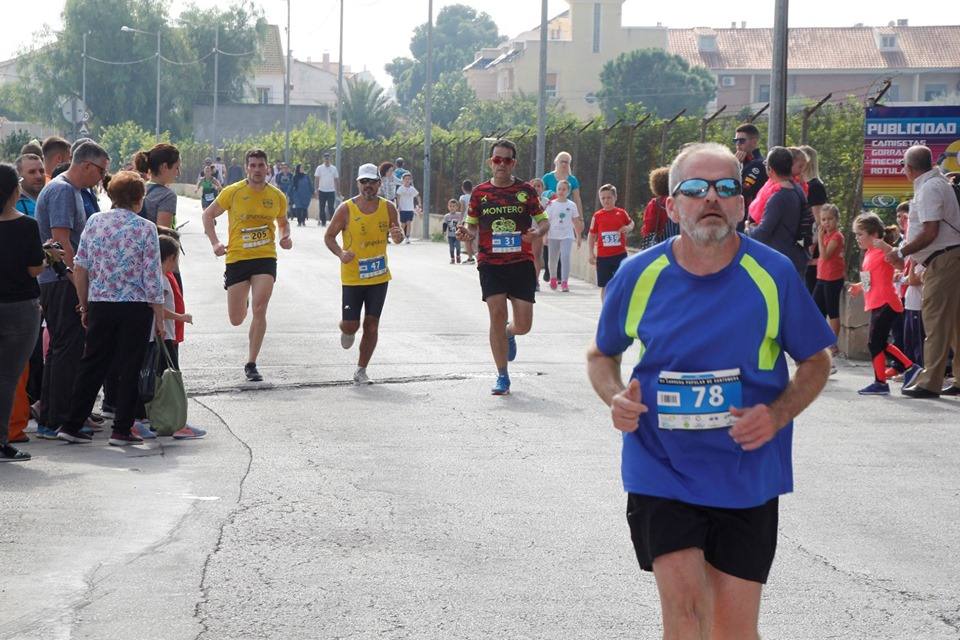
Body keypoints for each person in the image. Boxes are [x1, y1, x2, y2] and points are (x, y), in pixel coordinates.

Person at [587, 142, 834, 640]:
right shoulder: (639, 275)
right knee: (686, 614)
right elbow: (601, 355)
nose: (712, 199)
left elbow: (816, 361)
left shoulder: (773, 274)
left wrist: (778, 414)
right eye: (696, 189)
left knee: (733, 630)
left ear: (742, 203)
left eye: (725, 188)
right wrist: (615, 396)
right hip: (661, 466)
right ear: (673, 204)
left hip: (746, 471)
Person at [56, 171, 165, 446]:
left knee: (92, 363)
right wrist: (160, 317)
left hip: (101, 303)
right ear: (139, 199)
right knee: (130, 366)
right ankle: (121, 429)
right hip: (135, 306)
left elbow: (82, 266)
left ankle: (71, 424)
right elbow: (152, 277)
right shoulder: (146, 228)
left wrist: (83, 304)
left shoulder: (95, 222)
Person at [457, 139, 549, 396]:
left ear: (513, 163)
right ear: (490, 162)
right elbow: (472, 224)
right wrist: (466, 233)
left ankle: (511, 333)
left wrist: (537, 231)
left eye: (506, 160)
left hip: (520, 262)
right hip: (490, 263)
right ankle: (502, 375)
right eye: (497, 160)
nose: (501, 164)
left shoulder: (526, 191)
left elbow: (543, 221)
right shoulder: (479, 193)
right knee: (496, 314)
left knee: (524, 325)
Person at [34, 141, 110, 440]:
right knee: (68, 350)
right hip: (60, 282)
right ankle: (61, 419)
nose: (102, 178)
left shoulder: (72, 191)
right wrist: (73, 277)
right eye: (102, 171)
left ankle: (52, 418)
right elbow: (59, 241)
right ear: (87, 165)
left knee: (60, 350)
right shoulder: (64, 191)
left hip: (57, 280)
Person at [876, 145, 960, 398]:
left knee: (934, 322)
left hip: (943, 261)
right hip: (946, 258)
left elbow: (930, 231)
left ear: (909, 168)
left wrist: (901, 252)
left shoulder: (931, 188)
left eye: (903, 166)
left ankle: (929, 382)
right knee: (955, 323)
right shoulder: (935, 184)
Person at [202, 149, 292, 383]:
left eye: (261, 165)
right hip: (238, 258)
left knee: (260, 309)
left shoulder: (277, 196)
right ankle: (245, 301)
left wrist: (285, 237)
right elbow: (208, 215)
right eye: (252, 165)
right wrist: (214, 243)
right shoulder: (233, 192)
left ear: (267, 168)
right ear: (246, 168)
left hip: (265, 257)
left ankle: (251, 363)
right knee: (236, 318)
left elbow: (283, 223)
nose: (257, 170)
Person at [324, 163, 404, 384]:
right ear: (358, 183)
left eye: (372, 181)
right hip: (352, 276)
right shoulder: (346, 209)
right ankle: (346, 328)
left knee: (371, 324)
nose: (368, 186)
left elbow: (398, 234)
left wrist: (398, 236)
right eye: (364, 182)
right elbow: (329, 236)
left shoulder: (388, 207)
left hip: (379, 275)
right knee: (352, 325)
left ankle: (361, 370)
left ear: (379, 183)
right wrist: (340, 253)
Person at [0, 164, 45, 461]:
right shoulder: (27, 225)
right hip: (20, 308)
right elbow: (34, 269)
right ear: (14, 191)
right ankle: (2, 440)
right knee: (7, 377)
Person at [848, 213, 920, 396]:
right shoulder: (868, 255)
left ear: (873, 235)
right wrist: (858, 287)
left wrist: (886, 247)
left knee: (875, 342)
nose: (857, 238)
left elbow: (901, 264)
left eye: (860, 234)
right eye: (856, 234)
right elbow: (868, 281)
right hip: (876, 303)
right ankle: (900, 372)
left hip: (887, 301)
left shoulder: (882, 250)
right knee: (877, 343)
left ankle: (899, 372)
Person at [155, 235, 205, 440]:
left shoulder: (163, 276)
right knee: (172, 381)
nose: (177, 264)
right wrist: (181, 317)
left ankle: (169, 420)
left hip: (166, 335)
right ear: (169, 258)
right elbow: (158, 308)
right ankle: (177, 424)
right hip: (164, 336)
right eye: (176, 259)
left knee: (163, 381)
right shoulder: (160, 278)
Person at [749, 147, 809, 275]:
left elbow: (761, 234)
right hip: (796, 258)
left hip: (780, 263)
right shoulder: (798, 189)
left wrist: (749, 228)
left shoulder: (778, 197)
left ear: (770, 169)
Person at [588, 184, 633, 300]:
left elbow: (631, 223)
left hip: (620, 255)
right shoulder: (597, 216)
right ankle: (605, 310)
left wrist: (628, 228)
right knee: (605, 285)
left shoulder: (621, 213)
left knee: (621, 283)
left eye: (609, 197)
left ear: (615, 197)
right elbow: (592, 235)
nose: (606, 200)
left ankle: (619, 307)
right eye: (603, 198)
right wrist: (590, 253)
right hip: (603, 257)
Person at [812, 204, 845, 362]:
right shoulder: (825, 235)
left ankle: (833, 343)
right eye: (823, 219)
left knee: (832, 311)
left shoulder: (837, 236)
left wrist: (819, 238)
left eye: (830, 219)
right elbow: (820, 259)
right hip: (821, 277)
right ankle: (819, 341)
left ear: (836, 220)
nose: (826, 223)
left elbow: (825, 256)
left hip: (833, 278)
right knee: (816, 309)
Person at [545, 179, 582, 292]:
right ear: (556, 190)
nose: (561, 191)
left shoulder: (572, 205)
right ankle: (553, 278)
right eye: (559, 189)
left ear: (568, 191)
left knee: (565, 257)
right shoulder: (551, 205)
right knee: (553, 258)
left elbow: (576, 221)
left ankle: (565, 282)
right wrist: (545, 235)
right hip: (553, 235)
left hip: (567, 235)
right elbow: (546, 221)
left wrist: (578, 236)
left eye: (564, 189)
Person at [800, 146, 827, 292]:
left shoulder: (815, 186)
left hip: (812, 245)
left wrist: (812, 245)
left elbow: (818, 220)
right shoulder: (801, 186)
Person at [134, 143, 180, 227]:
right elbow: (163, 235)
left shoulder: (138, 188)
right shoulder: (167, 196)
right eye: (176, 168)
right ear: (164, 167)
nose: (178, 173)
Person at [733, 123, 767, 223]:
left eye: (742, 140)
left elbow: (742, 190)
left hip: (750, 218)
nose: (738, 144)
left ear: (754, 142)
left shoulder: (757, 164)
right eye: (735, 140)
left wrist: (734, 168)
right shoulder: (745, 162)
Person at [542, 151, 584, 221]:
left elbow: (577, 199)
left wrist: (580, 218)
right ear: (556, 162)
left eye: (566, 162)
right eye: (562, 161)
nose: (564, 164)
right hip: (549, 213)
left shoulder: (573, 180)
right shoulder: (547, 177)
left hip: (566, 213)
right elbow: (540, 195)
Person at [640, 167, 677, 242]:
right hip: (680, 243)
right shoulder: (681, 200)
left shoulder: (655, 203)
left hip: (661, 244)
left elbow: (649, 227)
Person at [529, 177, 549, 287]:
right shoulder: (525, 200)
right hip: (526, 231)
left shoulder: (547, 202)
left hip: (538, 232)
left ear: (542, 188)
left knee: (536, 256)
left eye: (539, 186)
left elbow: (549, 218)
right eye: (534, 186)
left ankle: (535, 281)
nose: (536, 188)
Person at [314, 152, 340, 227]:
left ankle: (333, 222)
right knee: (321, 207)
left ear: (330, 159)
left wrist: (338, 191)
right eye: (325, 158)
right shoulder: (319, 168)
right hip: (322, 190)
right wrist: (316, 189)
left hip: (331, 191)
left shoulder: (334, 168)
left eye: (328, 158)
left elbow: (336, 180)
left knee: (331, 207)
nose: (327, 159)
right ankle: (323, 222)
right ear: (323, 159)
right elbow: (316, 179)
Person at [395, 172, 419, 244]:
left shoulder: (412, 189)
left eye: (409, 179)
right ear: (403, 180)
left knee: (409, 223)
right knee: (403, 224)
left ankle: (407, 237)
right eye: (406, 179)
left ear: (411, 180)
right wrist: (398, 206)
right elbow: (398, 197)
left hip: (410, 209)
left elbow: (417, 196)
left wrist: (419, 204)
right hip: (403, 209)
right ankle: (400, 236)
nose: (407, 180)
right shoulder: (400, 188)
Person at [458, 180, 476, 263]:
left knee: (467, 239)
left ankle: (470, 258)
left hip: (467, 220)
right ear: (472, 188)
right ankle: (475, 255)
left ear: (462, 188)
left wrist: (460, 221)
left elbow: (462, 210)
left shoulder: (463, 197)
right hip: (475, 219)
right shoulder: (474, 196)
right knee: (473, 238)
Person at [443, 198, 462, 264]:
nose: (452, 208)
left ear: (457, 207)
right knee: (451, 248)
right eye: (450, 206)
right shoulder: (446, 216)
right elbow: (445, 224)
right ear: (448, 207)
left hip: (457, 235)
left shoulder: (459, 215)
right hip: (450, 235)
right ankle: (452, 258)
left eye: (454, 206)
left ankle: (458, 256)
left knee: (458, 247)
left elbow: (462, 222)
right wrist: (444, 232)